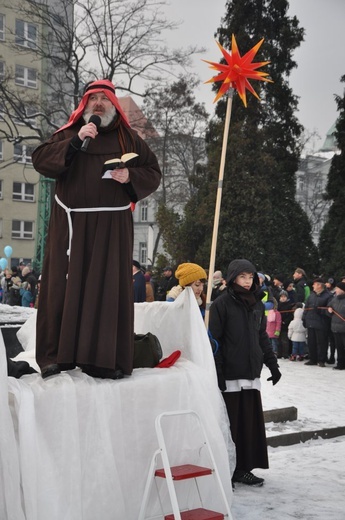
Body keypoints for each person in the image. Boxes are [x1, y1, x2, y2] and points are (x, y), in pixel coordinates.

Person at [31, 78, 161, 379]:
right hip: (70, 227)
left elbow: (153, 172)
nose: (99, 103)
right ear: (85, 104)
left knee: (106, 288)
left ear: (114, 105)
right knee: (60, 288)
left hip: (111, 227)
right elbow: (41, 160)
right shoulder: (70, 133)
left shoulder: (129, 140)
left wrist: (129, 174)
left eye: (104, 98)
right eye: (94, 98)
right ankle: (55, 357)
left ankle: (102, 359)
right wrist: (76, 142)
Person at [209, 259, 281, 487]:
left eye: (251, 277)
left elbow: (262, 337)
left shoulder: (257, 304)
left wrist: (272, 364)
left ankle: (243, 469)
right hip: (230, 374)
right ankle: (226, 469)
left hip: (251, 373)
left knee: (249, 426)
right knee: (231, 425)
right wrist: (218, 371)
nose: (248, 282)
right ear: (232, 278)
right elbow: (215, 341)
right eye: (243, 277)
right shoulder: (222, 304)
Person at [303, 278, 332, 367]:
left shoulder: (328, 296)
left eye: (314, 284)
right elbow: (306, 308)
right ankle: (313, 359)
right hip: (310, 321)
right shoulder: (311, 296)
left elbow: (329, 310)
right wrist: (304, 318)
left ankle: (321, 360)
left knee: (322, 342)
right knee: (311, 342)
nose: (313, 286)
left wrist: (319, 311)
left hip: (321, 323)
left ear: (319, 285)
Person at [327, 281, 345, 370]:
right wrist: (329, 310)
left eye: (338, 289)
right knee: (339, 347)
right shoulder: (334, 299)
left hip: (343, 328)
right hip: (335, 327)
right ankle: (340, 364)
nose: (336, 290)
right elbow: (328, 308)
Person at [277, 290, 294, 358]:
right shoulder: (278, 305)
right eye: (282, 297)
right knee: (278, 341)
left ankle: (285, 354)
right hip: (278, 325)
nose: (283, 298)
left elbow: (290, 316)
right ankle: (279, 353)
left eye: (284, 297)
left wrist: (285, 321)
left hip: (285, 325)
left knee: (285, 341)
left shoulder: (289, 305)